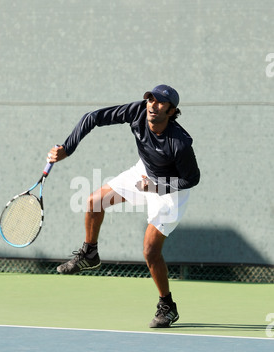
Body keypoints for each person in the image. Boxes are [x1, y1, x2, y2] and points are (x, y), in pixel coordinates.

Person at [47, 84, 200, 328]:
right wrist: (68, 148)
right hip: (144, 171)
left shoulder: (180, 143)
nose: (153, 105)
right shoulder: (137, 112)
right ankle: (90, 253)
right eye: (151, 99)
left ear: (171, 111)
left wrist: (156, 187)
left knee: (150, 251)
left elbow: (191, 179)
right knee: (94, 201)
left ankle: (167, 306)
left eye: (161, 102)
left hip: (171, 191)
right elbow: (93, 118)